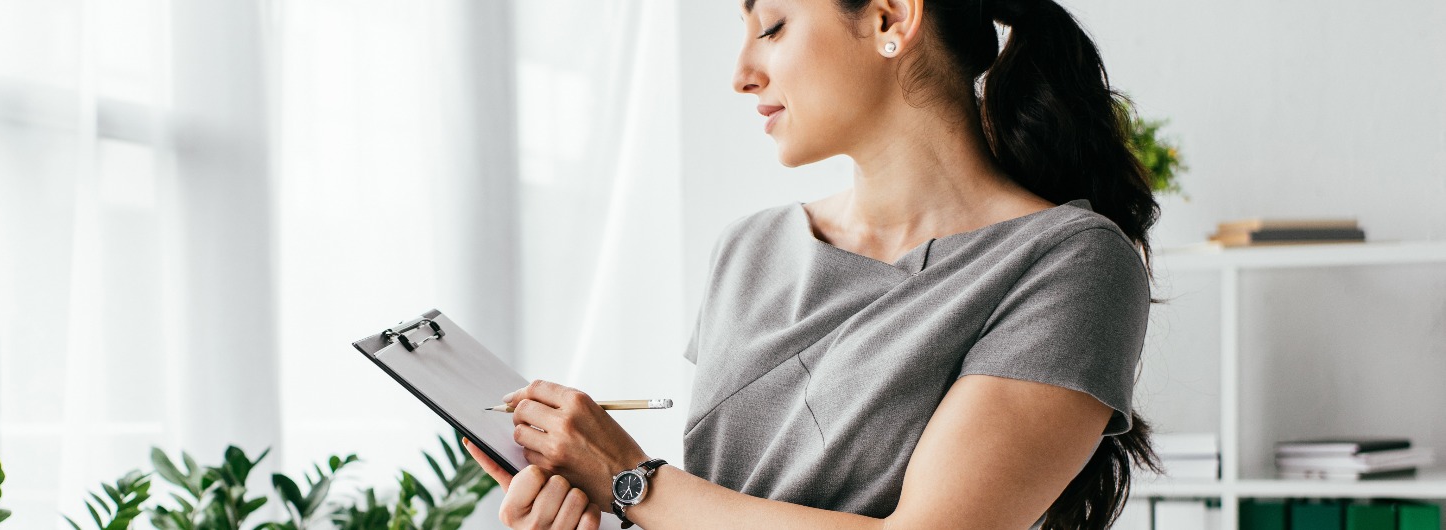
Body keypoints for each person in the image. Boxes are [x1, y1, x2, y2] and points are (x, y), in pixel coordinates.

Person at [463, 0, 1164, 528]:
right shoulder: (749, 248)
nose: (741, 74)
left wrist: (631, 480)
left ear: (891, 17)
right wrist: (601, 508)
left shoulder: (1072, 260)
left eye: (770, 27)